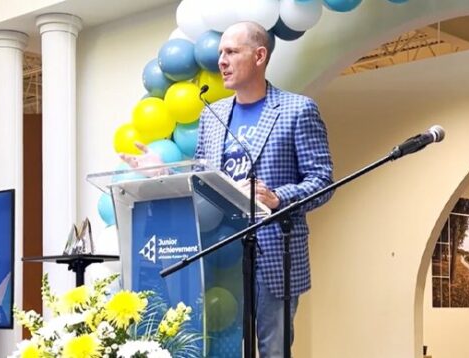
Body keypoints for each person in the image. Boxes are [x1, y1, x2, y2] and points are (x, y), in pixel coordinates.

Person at [122, 21, 334, 357]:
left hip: (272, 254)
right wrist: (164, 173)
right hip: (217, 252)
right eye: (221, 52)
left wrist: (279, 197)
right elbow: (204, 182)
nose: (221, 60)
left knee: (273, 350)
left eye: (232, 52)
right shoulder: (214, 115)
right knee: (218, 347)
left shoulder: (297, 110)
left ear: (260, 55)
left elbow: (322, 181)